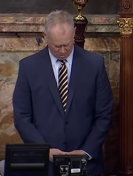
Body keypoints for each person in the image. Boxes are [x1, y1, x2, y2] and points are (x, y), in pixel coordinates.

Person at [12, 10, 113, 176]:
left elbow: (104, 114)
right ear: (45, 36)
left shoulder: (94, 64)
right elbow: (22, 116)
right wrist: (44, 150)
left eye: (67, 44)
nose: (63, 50)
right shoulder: (29, 67)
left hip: (86, 163)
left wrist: (85, 151)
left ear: (74, 34)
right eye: (57, 45)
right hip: (44, 164)